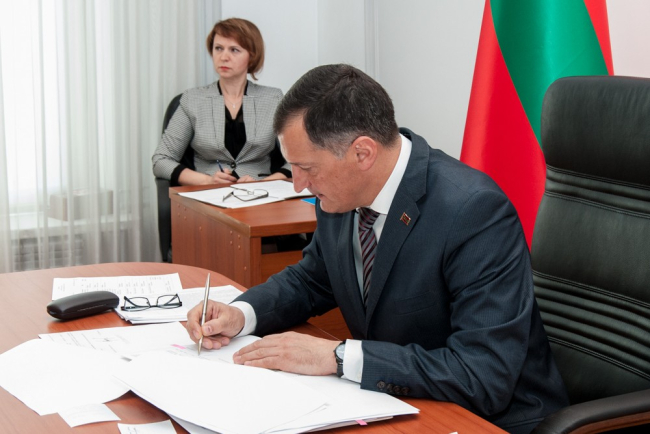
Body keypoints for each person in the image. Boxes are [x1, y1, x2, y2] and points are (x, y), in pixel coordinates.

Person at [186, 64, 569, 434]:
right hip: (394, 402)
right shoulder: (340, 196)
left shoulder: (473, 212)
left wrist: (338, 356)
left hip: (489, 420)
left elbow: (482, 374)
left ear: (363, 153)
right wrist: (241, 313)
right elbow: (311, 280)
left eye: (307, 168)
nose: (298, 184)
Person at [152, 18, 290, 186]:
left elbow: (300, 159)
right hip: (208, 194)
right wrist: (207, 180)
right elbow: (161, 160)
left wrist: (265, 183)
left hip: (261, 194)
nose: (224, 57)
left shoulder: (273, 99)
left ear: (252, 56)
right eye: (218, 48)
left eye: (234, 50)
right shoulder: (192, 100)